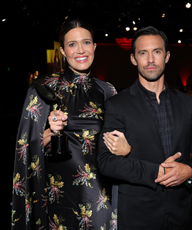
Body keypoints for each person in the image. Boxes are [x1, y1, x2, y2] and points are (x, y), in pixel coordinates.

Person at [97, 26, 192, 230]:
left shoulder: (188, 104)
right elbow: (106, 162)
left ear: (167, 56)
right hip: (137, 216)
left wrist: (190, 170)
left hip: (181, 213)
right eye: (143, 53)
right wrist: (157, 171)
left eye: (157, 52)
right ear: (133, 59)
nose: (150, 59)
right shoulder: (117, 105)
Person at [12, 19, 124, 230]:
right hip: (57, 198)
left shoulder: (108, 91)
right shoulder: (42, 88)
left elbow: (117, 144)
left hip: (100, 195)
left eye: (86, 42)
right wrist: (49, 133)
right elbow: (25, 149)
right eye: (72, 44)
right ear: (62, 51)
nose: (80, 50)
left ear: (95, 47)